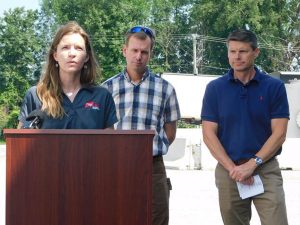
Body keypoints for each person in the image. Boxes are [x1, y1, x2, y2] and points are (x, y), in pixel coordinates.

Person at [201, 29, 289, 225]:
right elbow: (208, 134)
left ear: (256, 52)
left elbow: (279, 133)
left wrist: (252, 164)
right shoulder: (215, 89)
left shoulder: (274, 87)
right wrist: (234, 169)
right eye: (232, 51)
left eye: (243, 51)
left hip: (265, 169)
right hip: (228, 171)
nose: (237, 57)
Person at [102, 26, 181, 225]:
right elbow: (103, 130)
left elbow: (170, 132)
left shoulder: (165, 89)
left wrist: (149, 149)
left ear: (150, 54)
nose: (139, 56)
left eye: (144, 52)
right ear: (124, 51)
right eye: (134, 50)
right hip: (116, 166)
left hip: (152, 166)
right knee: (115, 216)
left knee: (156, 219)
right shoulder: (106, 89)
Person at [18, 21, 117, 129]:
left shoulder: (102, 96)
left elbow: (109, 143)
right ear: (55, 55)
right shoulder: (36, 95)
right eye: (65, 47)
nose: (72, 54)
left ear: (86, 57)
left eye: (78, 48)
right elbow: (20, 142)